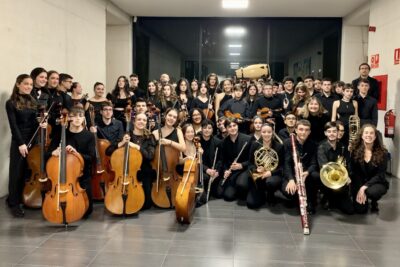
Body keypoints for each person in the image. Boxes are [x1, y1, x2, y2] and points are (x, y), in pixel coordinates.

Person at [6, 74, 47, 217]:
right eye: (26, 84)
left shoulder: (33, 101)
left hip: (33, 140)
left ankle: (23, 198)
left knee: (27, 172)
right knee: (16, 173)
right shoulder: (11, 103)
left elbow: (34, 122)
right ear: (18, 84)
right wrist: (21, 143)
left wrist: (41, 123)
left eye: (30, 84)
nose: (29, 86)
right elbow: (14, 126)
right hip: (20, 141)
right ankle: (14, 203)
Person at [48, 106, 95, 217]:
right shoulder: (60, 133)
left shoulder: (89, 136)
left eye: (81, 116)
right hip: (62, 176)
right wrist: (53, 152)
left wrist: (76, 154)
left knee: (86, 211)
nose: (78, 119)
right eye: (74, 116)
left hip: (82, 176)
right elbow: (47, 154)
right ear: (68, 118)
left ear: (84, 119)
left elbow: (91, 157)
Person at [105, 112, 156, 210]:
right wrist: (122, 142)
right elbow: (108, 151)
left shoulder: (150, 137)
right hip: (126, 171)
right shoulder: (126, 135)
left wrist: (137, 147)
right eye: (139, 119)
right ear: (134, 121)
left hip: (144, 171)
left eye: (144, 120)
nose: (141, 122)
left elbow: (150, 156)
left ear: (146, 123)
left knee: (147, 204)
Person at [282, 119, 319, 214]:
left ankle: (311, 201)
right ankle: (296, 199)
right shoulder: (288, 143)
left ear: (310, 132)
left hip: (305, 174)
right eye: (301, 129)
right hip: (292, 174)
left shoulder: (313, 144)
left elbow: (314, 164)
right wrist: (291, 179)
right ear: (296, 130)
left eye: (306, 130)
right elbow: (286, 164)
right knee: (290, 193)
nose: (304, 132)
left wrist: (307, 172)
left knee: (315, 175)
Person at [351, 124, 388, 213]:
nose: (368, 135)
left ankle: (374, 201)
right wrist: (359, 187)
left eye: (371, 133)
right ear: (362, 136)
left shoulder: (383, 153)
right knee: (361, 210)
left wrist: (364, 187)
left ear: (375, 137)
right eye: (366, 133)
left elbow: (380, 175)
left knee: (373, 192)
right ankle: (364, 200)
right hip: (359, 182)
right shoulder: (355, 151)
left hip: (376, 183)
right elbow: (355, 173)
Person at [317, 122, 354, 214]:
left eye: (334, 131)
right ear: (325, 133)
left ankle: (335, 199)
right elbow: (324, 166)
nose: (332, 134)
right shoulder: (321, 147)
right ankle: (327, 197)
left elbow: (348, 163)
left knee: (350, 210)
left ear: (338, 133)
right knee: (333, 202)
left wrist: (347, 175)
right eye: (329, 131)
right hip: (328, 179)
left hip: (341, 180)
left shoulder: (343, 147)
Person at [247, 123, 284, 209]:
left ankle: (271, 194)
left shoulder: (279, 146)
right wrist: (256, 169)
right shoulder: (255, 144)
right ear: (260, 132)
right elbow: (250, 163)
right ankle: (261, 192)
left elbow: (282, 167)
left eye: (269, 132)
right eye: (264, 132)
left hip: (272, 174)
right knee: (251, 204)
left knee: (271, 182)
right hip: (258, 174)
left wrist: (271, 172)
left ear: (273, 132)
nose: (266, 134)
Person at [217, 119, 251, 201]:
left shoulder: (248, 139)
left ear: (238, 126)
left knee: (241, 184)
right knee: (227, 196)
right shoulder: (223, 143)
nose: (232, 128)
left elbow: (252, 160)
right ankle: (236, 186)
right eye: (229, 126)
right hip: (232, 171)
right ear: (226, 129)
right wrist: (225, 170)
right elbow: (223, 160)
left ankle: (246, 187)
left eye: (234, 125)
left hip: (245, 169)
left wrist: (241, 165)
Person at [197, 120, 221, 205]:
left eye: (209, 128)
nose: (207, 130)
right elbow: (196, 160)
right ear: (201, 129)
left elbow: (220, 160)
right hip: (201, 170)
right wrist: (207, 170)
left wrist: (216, 171)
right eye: (204, 128)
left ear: (212, 130)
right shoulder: (197, 142)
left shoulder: (217, 142)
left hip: (213, 171)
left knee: (219, 194)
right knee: (206, 178)